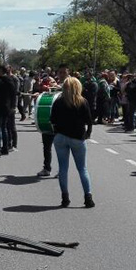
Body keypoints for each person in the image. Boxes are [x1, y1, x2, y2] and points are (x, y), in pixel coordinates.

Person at [50, 77, 94, 208]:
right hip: (77, 137)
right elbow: (89, 120)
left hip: (60, 137)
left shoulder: (58, 101)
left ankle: (65, 198)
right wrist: (88, 134)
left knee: (63, 168)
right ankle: (88, 198)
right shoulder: (82, 101)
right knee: (82, 169)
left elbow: (52, 120)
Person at [36, 65, 69, 177]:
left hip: (63, 121)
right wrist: (40, 94)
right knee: (46, 146)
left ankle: (62, 170)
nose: (62, 74)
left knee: (61, 148)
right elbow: (49, 96)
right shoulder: (54, 84)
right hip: (50, 119)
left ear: (68, 73)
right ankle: (47, 168)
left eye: (64, 72)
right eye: (60, 72)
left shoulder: (71, 84)